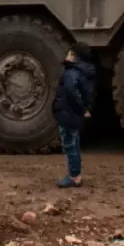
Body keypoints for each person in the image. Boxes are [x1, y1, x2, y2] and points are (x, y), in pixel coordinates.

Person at [52, 42, 96, 188]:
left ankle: (74, 176)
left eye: (69, 53)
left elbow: (70, 91)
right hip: (74, 116)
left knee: (69, 145)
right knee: (74, 143)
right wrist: (85, 109)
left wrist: (81, 109)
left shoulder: (71, 72)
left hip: (68, 113)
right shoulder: (86, 72)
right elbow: (87, 93)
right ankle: (75, 174)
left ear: (72, 56)